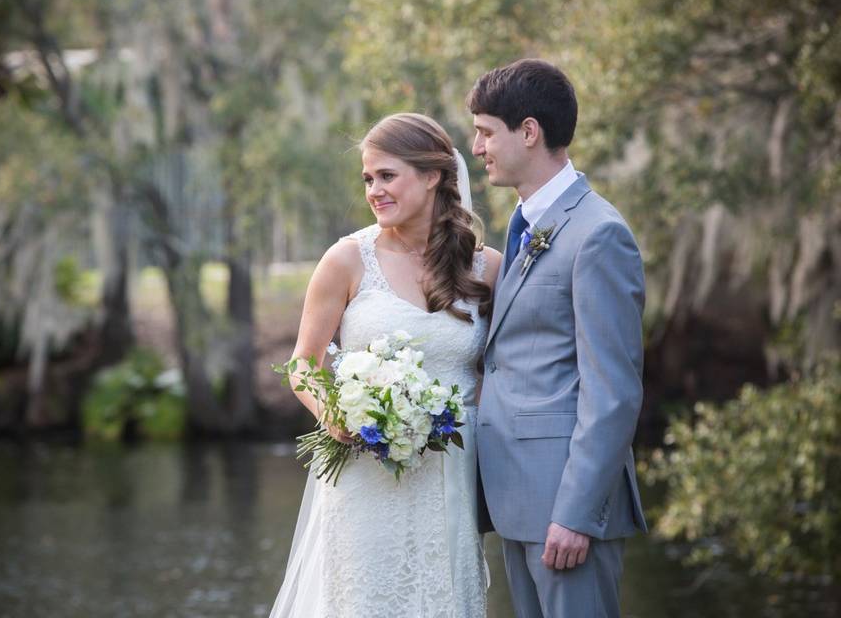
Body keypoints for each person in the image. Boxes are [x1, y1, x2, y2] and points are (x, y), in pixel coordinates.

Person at [269, 112, 501, 618]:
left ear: (434, 175)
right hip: (363, 478)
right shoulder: (347, 260)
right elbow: (302, 364)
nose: (374, 190)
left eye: (387, 176)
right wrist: (335, 412)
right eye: (368, 179)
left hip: (450, 479)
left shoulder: (488, 268)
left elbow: (498, 374)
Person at [470, 58, 648, 618]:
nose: (476, 148)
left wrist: (575, 512)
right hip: (517, 500)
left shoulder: (598, 235)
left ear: (529, 131)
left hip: (564, 511)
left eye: (484, 132)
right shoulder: (527, 226)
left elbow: (613, 392)